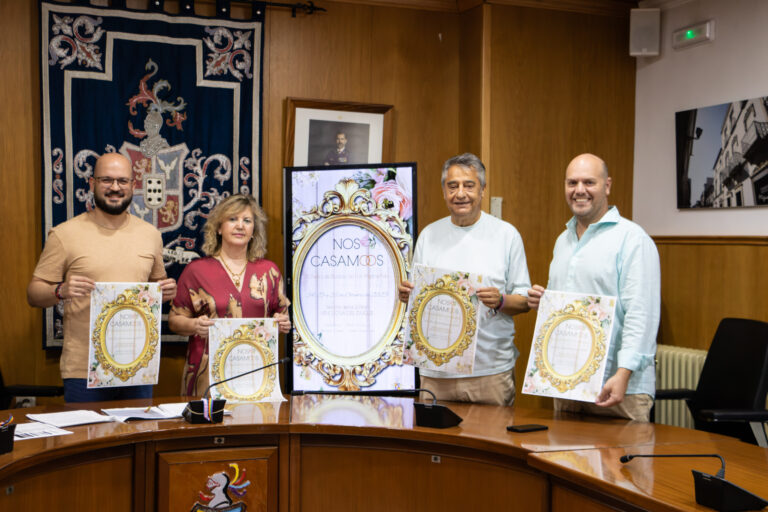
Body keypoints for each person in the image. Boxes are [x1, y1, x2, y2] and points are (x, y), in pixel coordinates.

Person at [27, 153, 177, 402]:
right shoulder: (64, 234)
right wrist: (60, 291)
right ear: (92, 183)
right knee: (89, 440)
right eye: (106, 180)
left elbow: (155, 291)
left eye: (122, 181)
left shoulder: (151, 235)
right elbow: (33, 294)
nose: (115, 188)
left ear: (133, 185)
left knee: (138, 439)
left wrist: (165, 292)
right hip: (84, 370)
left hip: (137, 366)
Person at [527, 153, 660, 422]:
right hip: (567, 386)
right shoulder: (562, 241)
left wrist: (623, 373)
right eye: (571, 183)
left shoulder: (633, 240)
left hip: (619, 389)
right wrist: (545, 302)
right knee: (562, 464)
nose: (579, 191)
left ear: (607, 186)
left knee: (616, 465)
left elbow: (641, 314)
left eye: (589, 182)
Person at [398, 153, 531, 406]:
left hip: (489, 372)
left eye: (469, 185)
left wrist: (501, 301)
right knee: (434, 446)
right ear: (444, 191)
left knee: (490, 444)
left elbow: (525, 301)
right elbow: (417, 300)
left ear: (482, 189)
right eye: (453, 186)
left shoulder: (506, 235)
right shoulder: (428, 235)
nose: (460, 193)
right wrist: (408, 295)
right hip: (436, 373)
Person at [169, 194, 291, 396]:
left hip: (256, 370)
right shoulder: (197, 271)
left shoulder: (269, 271)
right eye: (232, 219)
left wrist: (282, 322)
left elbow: (282, 317)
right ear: (219, 228)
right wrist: (194, 325)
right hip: (207, 373)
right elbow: (174, 321)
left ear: (254, 231)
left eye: (247, 221)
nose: (240, 226)